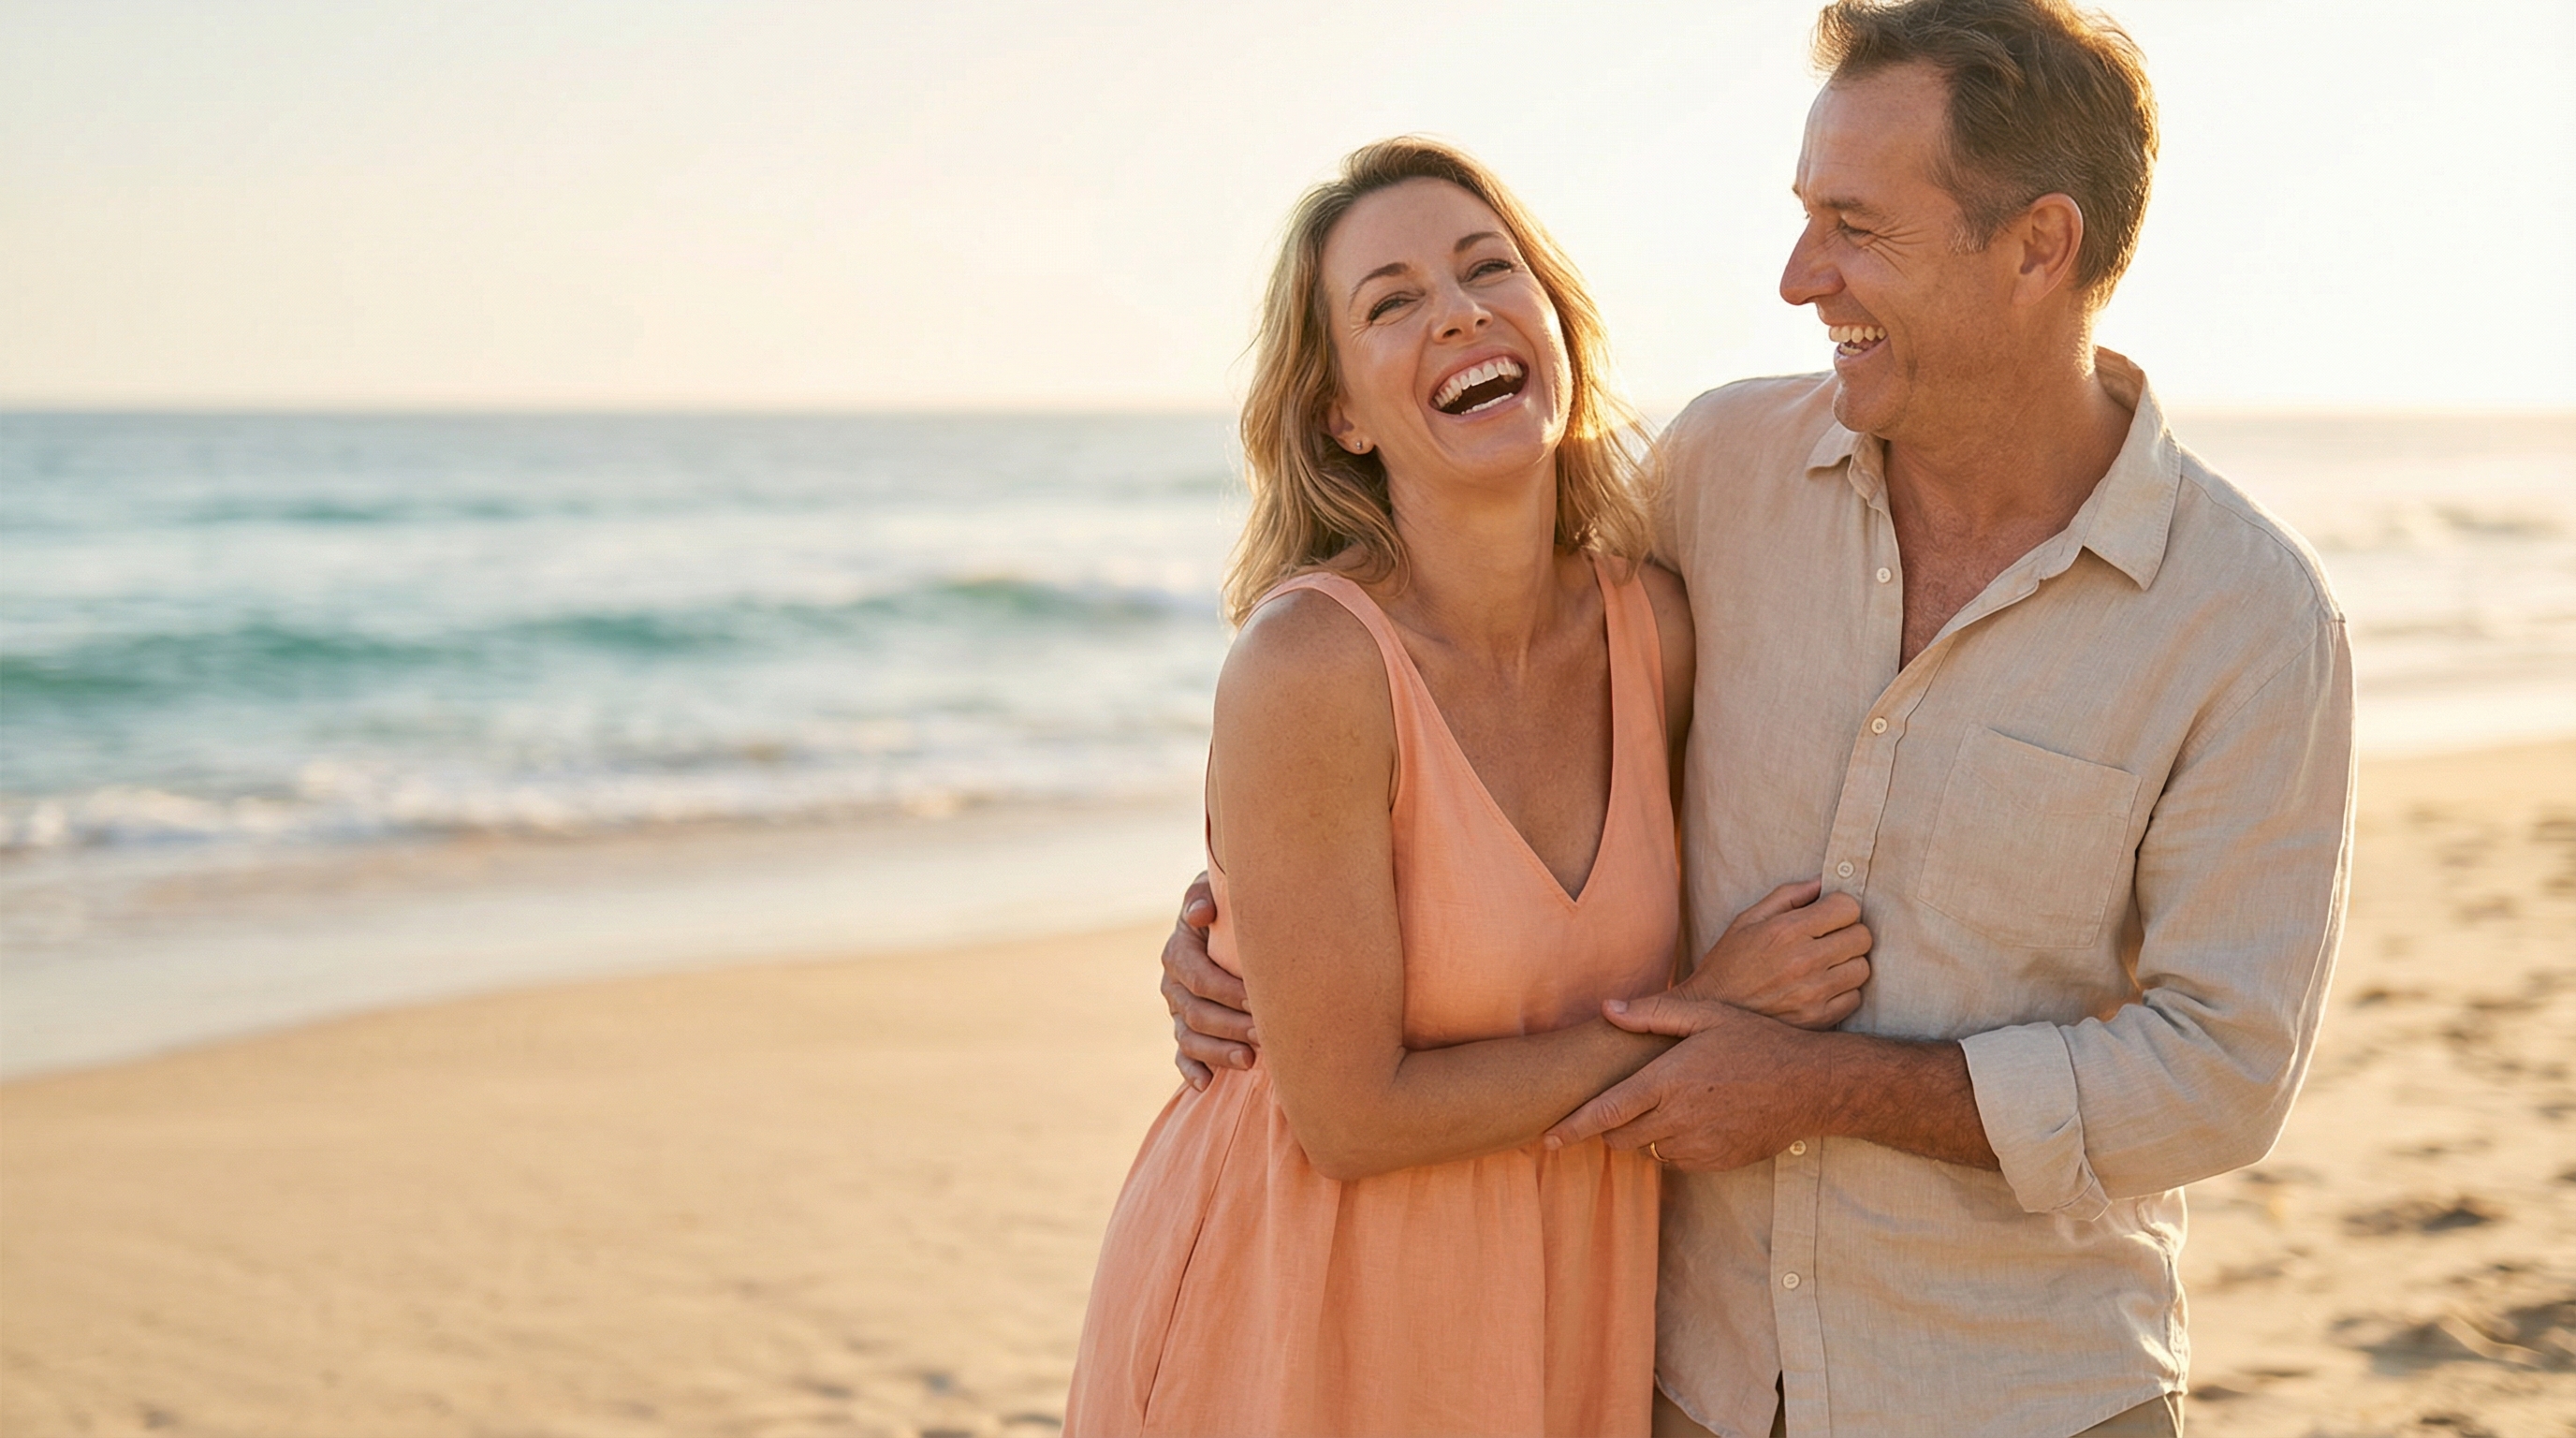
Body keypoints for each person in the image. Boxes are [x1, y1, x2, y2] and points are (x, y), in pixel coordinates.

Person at [1160, 3, 2356, 1435]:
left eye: (1855, 227)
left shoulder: (2247, 622)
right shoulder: (1722, 474)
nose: (1799, 278)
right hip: (1685, 1379)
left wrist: (1825, 1087)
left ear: (2038, 247)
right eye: (1804, 217)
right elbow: (1468, 693)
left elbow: (2221, 1078)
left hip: (2022, 1389)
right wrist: (1244, 927)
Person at [1063, 139, 1874, 1438]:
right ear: (1341, 414)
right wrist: (1705, 1015)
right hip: (1301, 1307)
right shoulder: (1310, 664)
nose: (1457, 311)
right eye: (1391, 302)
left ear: (1555, 329)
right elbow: (1349, 1117)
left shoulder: (1657, 634)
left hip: (1556, 1307)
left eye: (1488, 270)